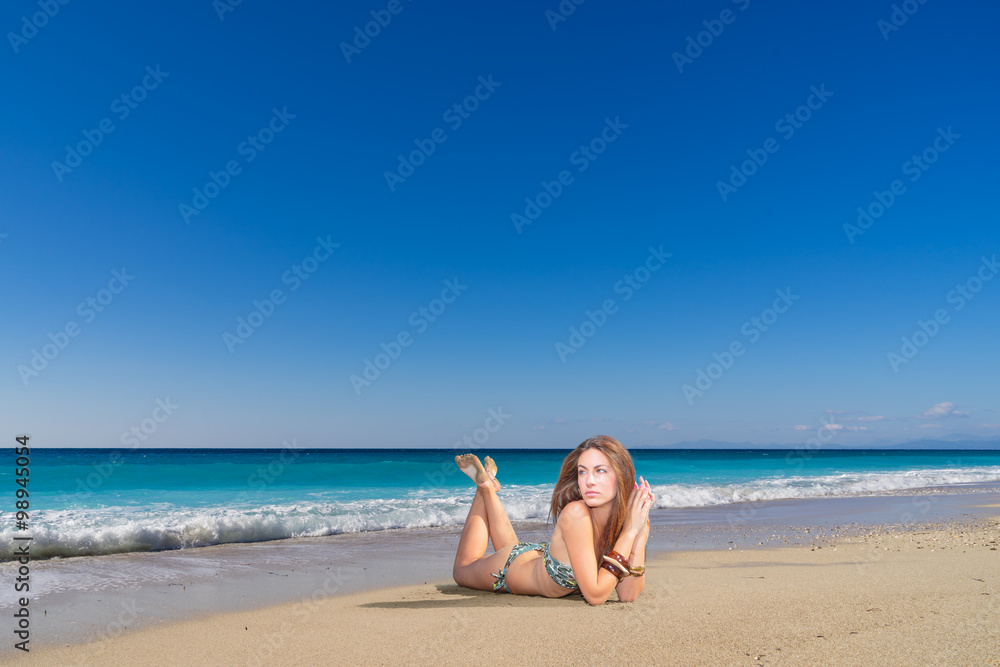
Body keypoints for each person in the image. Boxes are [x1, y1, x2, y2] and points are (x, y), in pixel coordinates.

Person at [452, 435, 654, 605]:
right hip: (508, 569)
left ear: (621, 476)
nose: (589, 480)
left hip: (533, 557)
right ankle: (484, 489)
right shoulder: (576, 513)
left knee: (510, 547)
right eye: (582, 471)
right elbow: (595, 595)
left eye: (600, 470)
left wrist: (639, 531)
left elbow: (628, 594)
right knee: (462, 570)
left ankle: (488, 488)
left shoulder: (628, 521)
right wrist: (629, 532)